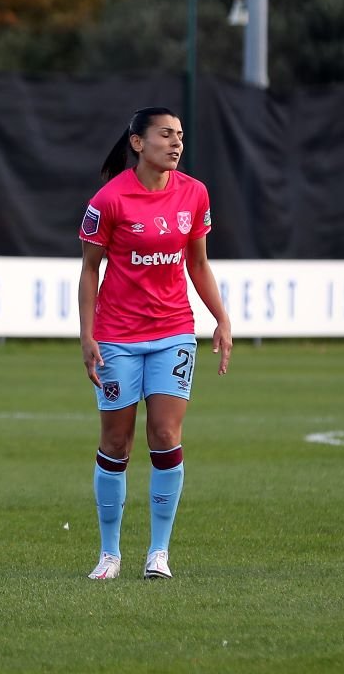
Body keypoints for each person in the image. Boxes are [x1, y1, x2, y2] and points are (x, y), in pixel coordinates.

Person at [77, 106, 232, 581]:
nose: (176, 142)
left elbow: (198, 265)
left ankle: (158, 554)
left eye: (180, 135)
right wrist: (87, 335)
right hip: (117, 338)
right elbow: (89, 270)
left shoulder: (195, 194)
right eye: (165, 134)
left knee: (165, 435)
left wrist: (221, 318)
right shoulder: (108, 200)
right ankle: (109, 554)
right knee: (116, 441)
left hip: (173, 334)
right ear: (138, 143)